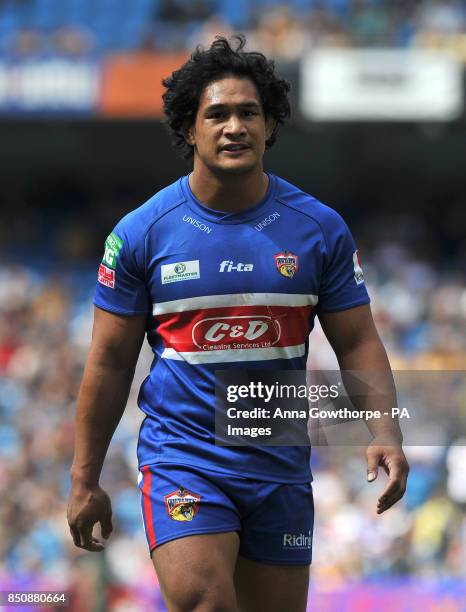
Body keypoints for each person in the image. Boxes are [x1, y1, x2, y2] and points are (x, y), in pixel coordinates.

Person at [67, 35, 409, 612]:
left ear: (270, 124)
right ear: (189, 128)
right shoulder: (142, 233)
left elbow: (357, 341)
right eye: (217, 114)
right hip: (184, 458)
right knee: (205, 602)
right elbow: (107, 363)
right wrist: (84, 479)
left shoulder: (319, 229)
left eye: (249, 112)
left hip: (278, 464)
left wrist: (385, 433)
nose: (234, 127)